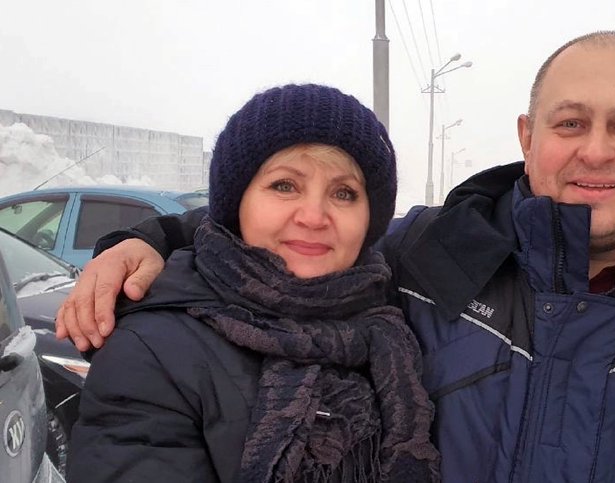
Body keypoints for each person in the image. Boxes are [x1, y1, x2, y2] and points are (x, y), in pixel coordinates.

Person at [59, 31, 615, 482]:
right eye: (569, 123)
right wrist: (151, 239)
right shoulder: (439, 255)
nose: (595, 150)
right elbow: (291, 236)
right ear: (529, 139)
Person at [65, 84, 440, 482]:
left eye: (344, 193)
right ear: (237, 200)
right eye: (284, 185)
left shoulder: (390, 326)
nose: (314, 216)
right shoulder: (153, 349)